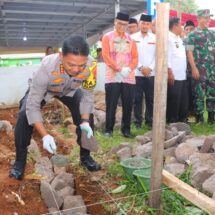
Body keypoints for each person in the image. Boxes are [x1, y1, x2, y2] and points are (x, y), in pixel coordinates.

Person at [9, 36, 101, 180]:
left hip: (70, 90)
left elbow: (88, 95)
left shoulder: (92, 65)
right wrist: (45, 135)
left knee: (88, 116)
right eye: (71, 64)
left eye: (81, 65)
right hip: (45, 90)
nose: (76, 70)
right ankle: (19, 162)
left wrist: (84, 121)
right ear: (60, 56)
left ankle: (85, 157)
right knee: (23, 115)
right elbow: (33, 105)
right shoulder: (47, 66)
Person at [102, 12, 138, 138]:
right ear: (115, 22)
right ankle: (108, 130)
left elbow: (135, 58)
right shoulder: (107, 37)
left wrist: (128, 69)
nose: (122, 26)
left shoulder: (131, 39)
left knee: (128, 105)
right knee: (111, 104)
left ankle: (126, 130)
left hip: (128, 77)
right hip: (112, 77)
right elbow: (106, 56)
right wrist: (118, 69)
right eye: (120, 23)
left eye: (125, 24)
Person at [187, 9, 215, 124]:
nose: (208, 20)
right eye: (205, 17)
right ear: (198, 19)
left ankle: (211, 119)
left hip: (212, 70)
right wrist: (193, 68)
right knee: (199, 94)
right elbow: (189, 52)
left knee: (212, 94)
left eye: (209, 17)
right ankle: (200, 119)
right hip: (199, 70)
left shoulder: (212, 34)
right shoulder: (192, 35)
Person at [131, 14, 156, 128]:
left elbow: (158, 55)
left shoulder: (155, 38)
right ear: (139, 24)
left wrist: (150, 68)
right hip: (137, 73)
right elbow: (131, 56)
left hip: (151, 73)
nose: (145, 26)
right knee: (137, 99)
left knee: (150, 99)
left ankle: (150, 121)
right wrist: (141, 68)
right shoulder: (132, 38)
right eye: (143, 23)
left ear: (150, 25)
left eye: (147, 24)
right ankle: (137, 122)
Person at [167, 17, 188, 123]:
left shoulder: (179, 38)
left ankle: (181, 120)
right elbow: (166, 57)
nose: (182, 27)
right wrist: (170, 73)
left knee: (182, 99)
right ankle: (172, 121)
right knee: (173, 99)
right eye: (181, 25)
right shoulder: (168, 38)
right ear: (175, 26)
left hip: (182, 75)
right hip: (173, 74)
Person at [183, 20, 196, 117]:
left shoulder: (198, 40)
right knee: (187, 96)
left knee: (195, 96)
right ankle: (188, 117)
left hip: (197, 73)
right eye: (187, 29)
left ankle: (194, 118)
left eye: (191, 29)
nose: (189, 31)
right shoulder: (182, 41)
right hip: (185, 74)